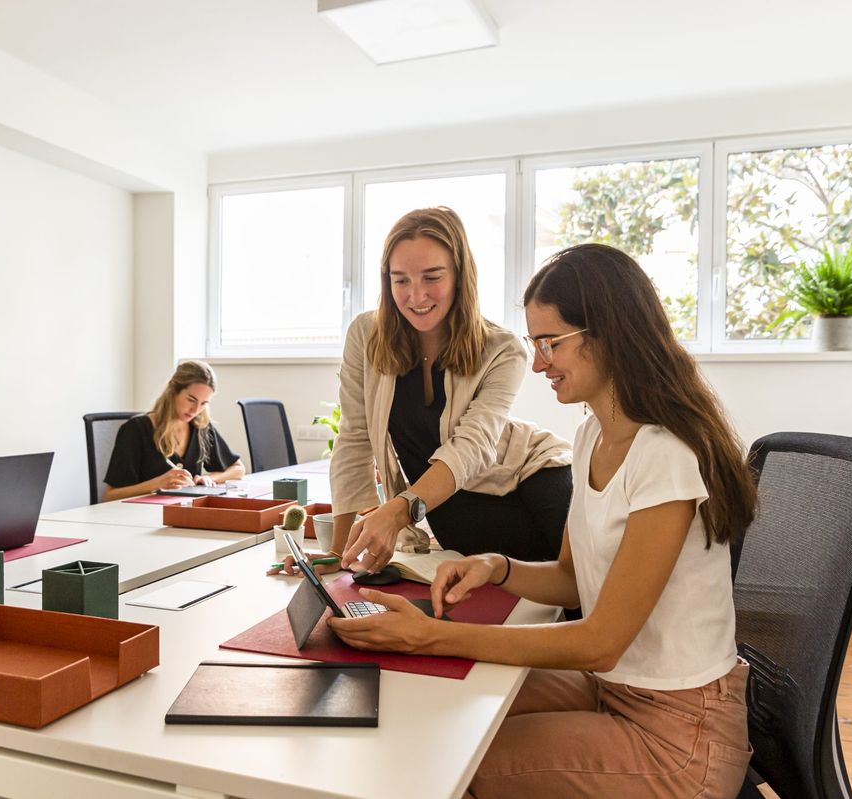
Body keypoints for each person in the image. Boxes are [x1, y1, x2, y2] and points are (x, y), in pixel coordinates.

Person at [327, 243, 759, 798]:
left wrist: (432, 636)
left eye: (550, 342)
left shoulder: (665, 453)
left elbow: (600, 642)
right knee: (448, 708)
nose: (537, 363)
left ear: (609, 334)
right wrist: (496, 567)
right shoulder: (591, 436)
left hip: (678, 733)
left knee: (455, 766)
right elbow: (571, 581)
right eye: (535, 343)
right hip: (613, 688)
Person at [321, 206, 572, 575]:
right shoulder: (366, 336)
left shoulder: (502, 349)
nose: (416, 295)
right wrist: (338, 553)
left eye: (432, 277)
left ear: (459, 275)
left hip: (533, 479)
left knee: (577, 584)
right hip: (447, 505)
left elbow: (472, 445)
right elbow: (354, 438)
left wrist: (398, 511)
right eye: (400, 280)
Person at [102, 360, 245, 501]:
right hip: (140, 513)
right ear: (173, 391)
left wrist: (209, 478)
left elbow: (238, 468)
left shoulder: (200, 427)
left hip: (183, 511)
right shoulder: (136, 429)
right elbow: (110, 496)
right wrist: (157, 484)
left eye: (203, 403)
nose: (195, 410)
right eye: (191, 400)